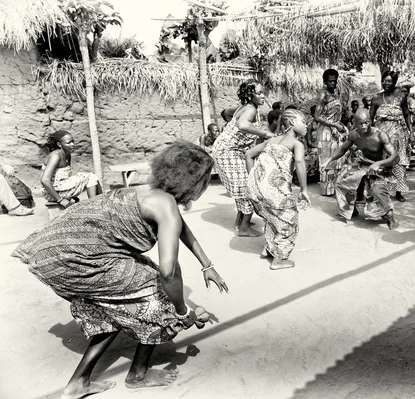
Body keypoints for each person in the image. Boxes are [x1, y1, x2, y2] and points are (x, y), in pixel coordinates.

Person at [12, 141, 228, 399]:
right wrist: (182, 311)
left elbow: (180, 227)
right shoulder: (165, 205)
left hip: (54, 253)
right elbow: (170, 273)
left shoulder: (149, 194)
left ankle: (77, 384)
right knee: (160, 294)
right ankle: (138, 375)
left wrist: (207, 264)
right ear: (196, 182)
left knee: (115, 305)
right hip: (76, 259)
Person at [245, 109, 312, 270]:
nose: (307, 126)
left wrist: (255, 179)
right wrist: (304, 189)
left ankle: (269, 249)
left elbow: (248, 154)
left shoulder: (271, 140)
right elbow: (299, 162)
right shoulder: (297, 144)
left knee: (272, 217)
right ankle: (279, 260)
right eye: (303, 122)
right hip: (273, 189)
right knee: (290, 219)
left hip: (254, 188)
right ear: (291, 122)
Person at [212, 80, 275, 237]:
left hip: (227, 149)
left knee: (242, 186)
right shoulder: (250, 110)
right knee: (247, 187)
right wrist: (264, 133)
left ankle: (239, 222)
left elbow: (226, 112)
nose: (262, 96)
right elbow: (243, 125)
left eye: (263, 92)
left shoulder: (244, 107)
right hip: (228, 152)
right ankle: (245, 228)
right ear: (250, 95)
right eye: (258, 93)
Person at [321, 109, 399, 229]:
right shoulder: (354, 134)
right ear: (355, 123)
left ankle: (389, 217)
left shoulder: (380, 135)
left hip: (379, 166)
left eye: (366, 122)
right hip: (362, 164)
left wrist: (379, 163)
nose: (363, 126)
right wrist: (329, 160)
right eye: (360, 123)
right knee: (342, 182)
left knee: (378, 190)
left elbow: (395, 156)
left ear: (370, 121)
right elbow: (342, 149)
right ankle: (351, 210)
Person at [370, 70, 413, 202]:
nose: (386, 83)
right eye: (384, 80)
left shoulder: (400, 96)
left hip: (399, 135)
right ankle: (381, 190)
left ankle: (399, 191)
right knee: (382, 162)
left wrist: (411, 132)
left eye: (389, 81)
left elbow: (406, 114)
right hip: (382, 136)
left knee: (399, 163)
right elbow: (370, 119)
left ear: (394, 82)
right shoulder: (376, 98)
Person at [41, 130, 102, 208]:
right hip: (52, 193)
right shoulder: (55, 156)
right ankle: (95, 207)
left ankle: (100, 204)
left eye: (73, 141)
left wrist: (72, 195)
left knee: (92, 177)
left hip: (62, 189)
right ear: (59, 144)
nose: (72, 144)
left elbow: (66, 178)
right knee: (90, 177)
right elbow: (45, 180)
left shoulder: (67, 155)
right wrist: (60, 200)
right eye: (68, 143)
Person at [314, 68, 347, 196]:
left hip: (336, 131)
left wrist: (339, 126)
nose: (333, 83)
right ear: (325, 82)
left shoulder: (336, 94)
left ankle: (335, 188)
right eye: (330, 81)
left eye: (334, 81)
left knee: (336, 159)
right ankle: (326, 190)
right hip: (326, 132)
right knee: (326, 159)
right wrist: (334, 125)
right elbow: (317, 116)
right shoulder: (324, 95)